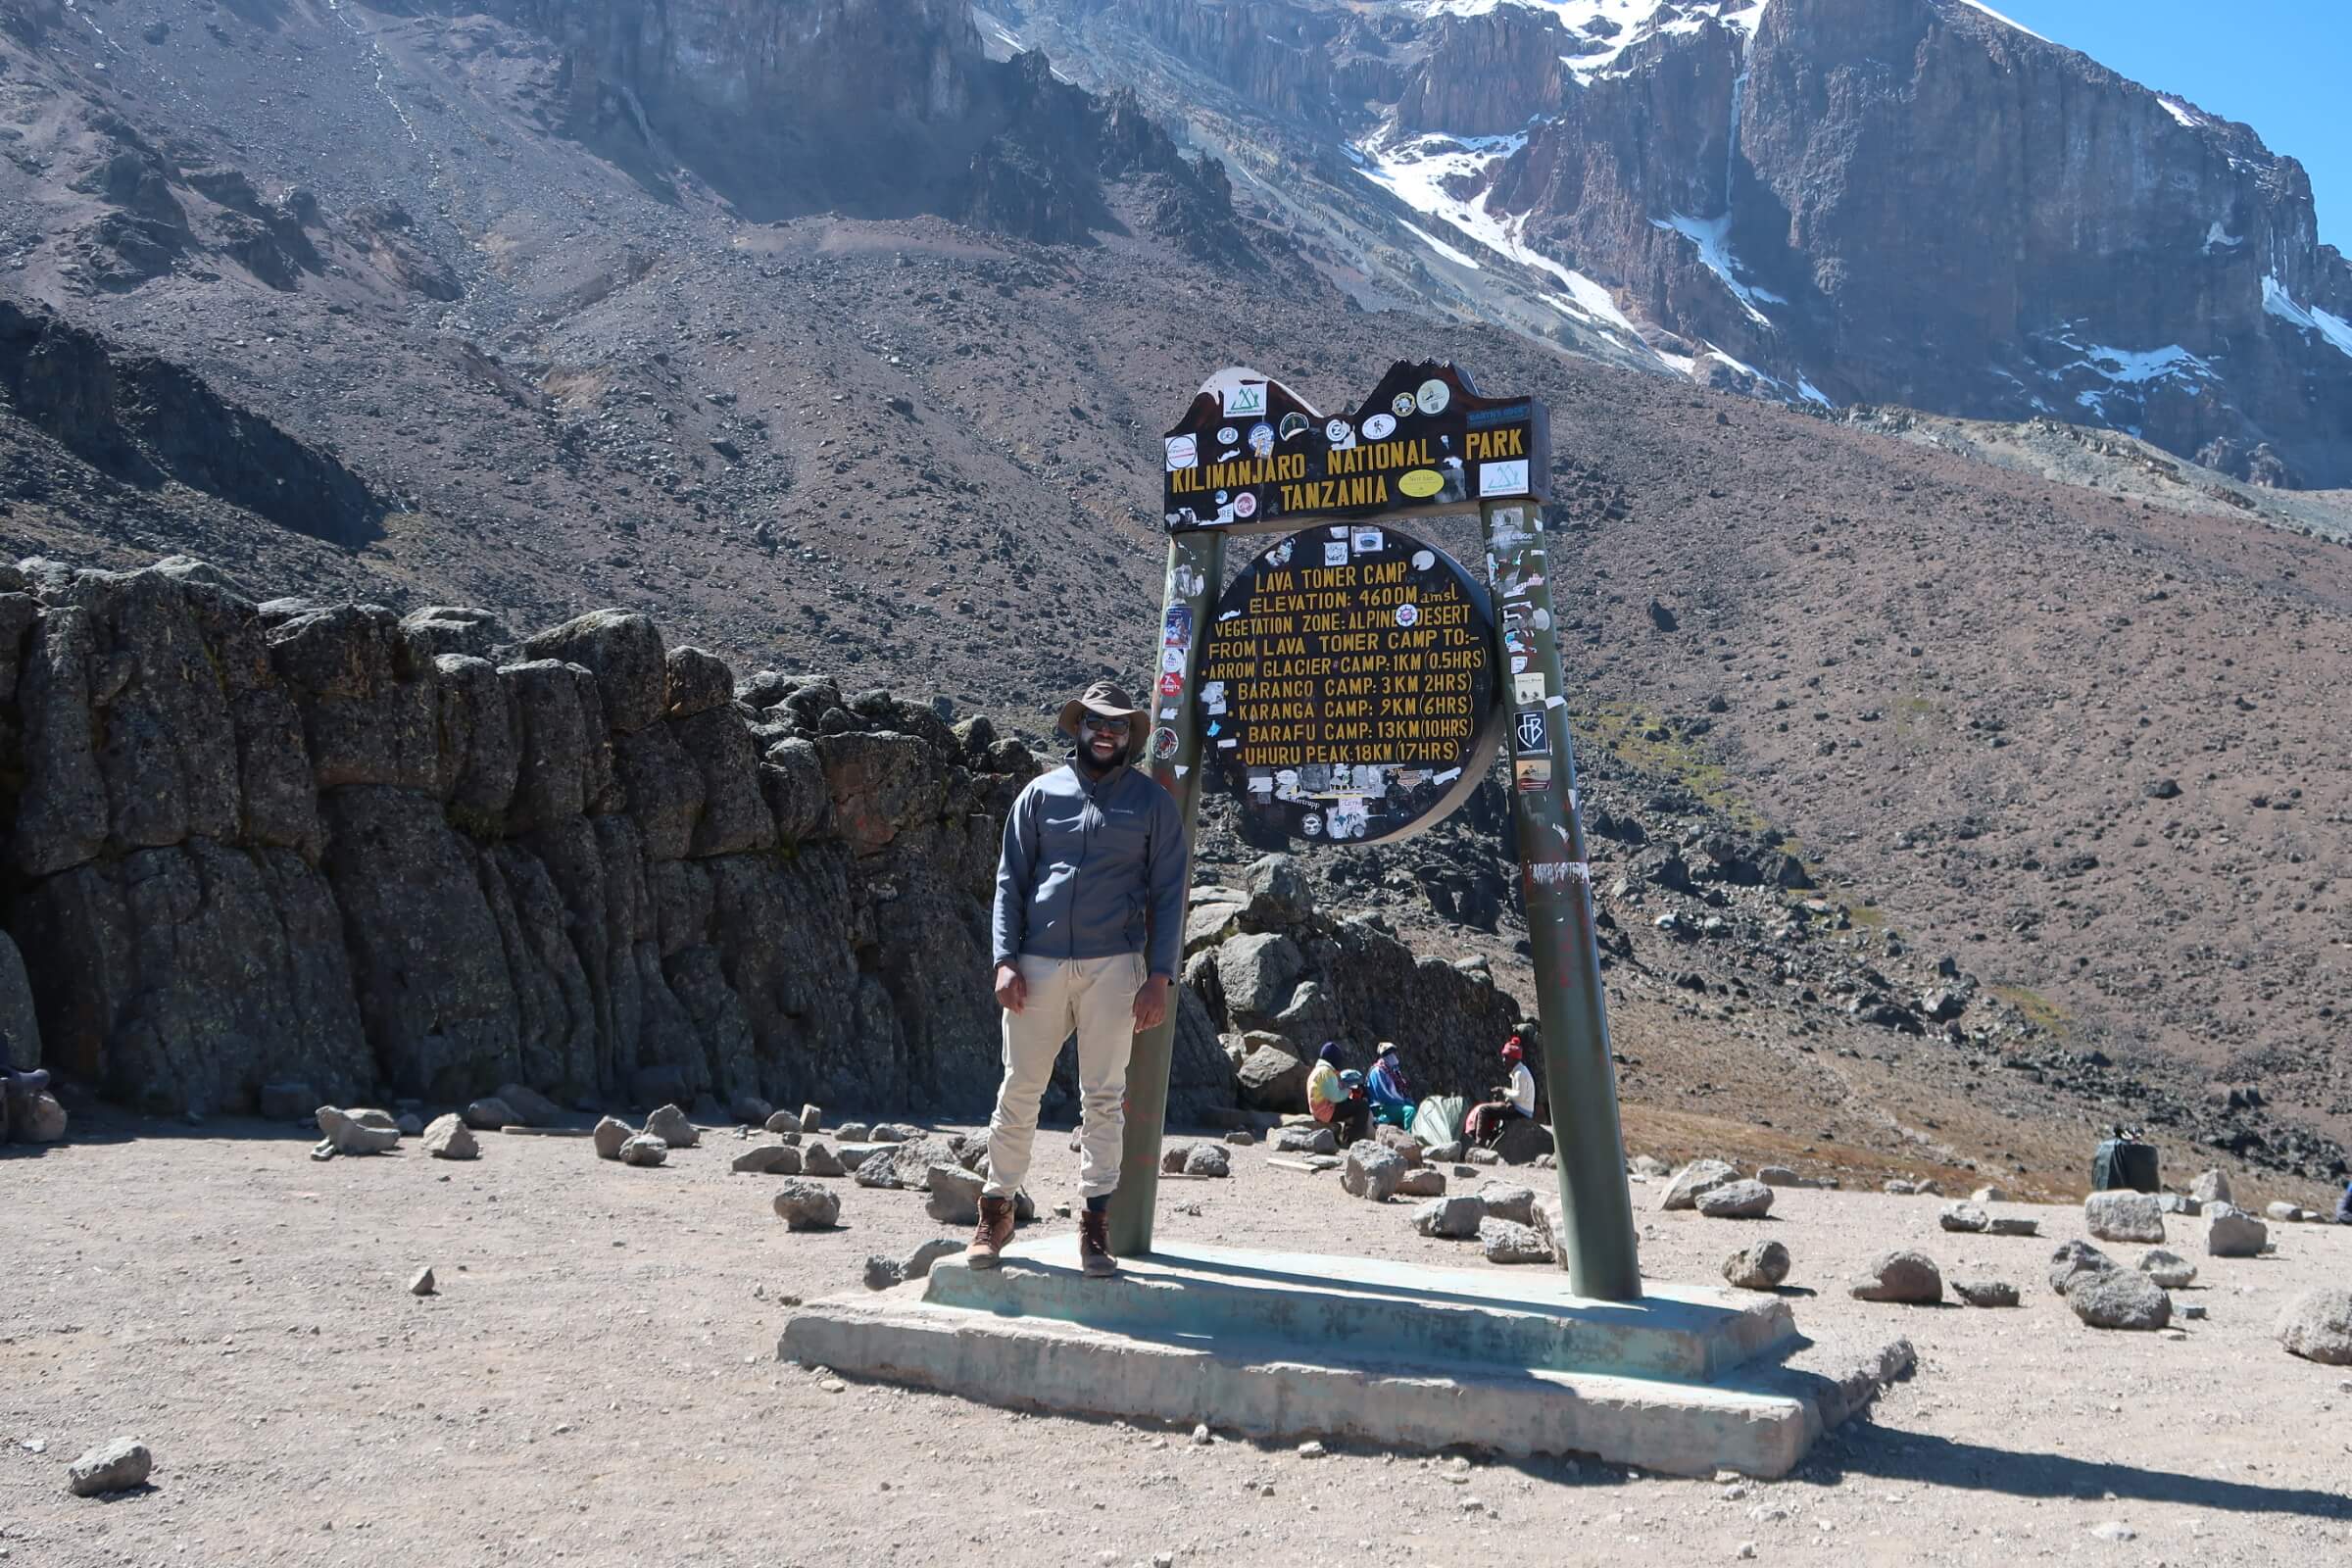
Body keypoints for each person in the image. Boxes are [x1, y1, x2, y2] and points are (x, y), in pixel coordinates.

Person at [971, 680, 1187, 1280]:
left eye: (1116, 724)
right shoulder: (1039, 795)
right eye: (1095, 722)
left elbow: (1169, 896)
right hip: (1035, 966)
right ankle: (995, 1213)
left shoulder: (1152, 805)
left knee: (1104, 1098)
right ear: (1079, 728)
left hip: (1115, 968)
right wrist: (1004, 959)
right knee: (1019, 1091)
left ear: (1129, 736)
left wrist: (1160, 976)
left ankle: (1095, 1228)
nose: (1105, 732)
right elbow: (1009, 881)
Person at [1464, 1036, 1537, 1147]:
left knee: (1484, 1110)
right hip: (1522, 1109)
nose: (1504, 1060)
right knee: (1494, 1108)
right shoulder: (1520, 1071)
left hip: (1521, 1112)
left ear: (1513, 1059)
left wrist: (1503, 1091)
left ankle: (1480, 1144)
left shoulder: (1519, 1074)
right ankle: (1490, 1138)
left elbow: (1520, 1096)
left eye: (1506, 1057)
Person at [1306, 1040, 1370, 1148]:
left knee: (1351, 1104)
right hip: (1326, 1111)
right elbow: (1336, 1097)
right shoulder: (1325, 1072)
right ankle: (1352, 1141)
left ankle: (1345, 1136)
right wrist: (1350, 1091)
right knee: (1362, 1106)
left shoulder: (1318, 1070)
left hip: (1318, 1110)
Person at [1365, 1043, 1414, 1130]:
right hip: (1381, 1108)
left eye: (1393, 1053)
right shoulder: (1377, 1071)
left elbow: (1400, 1090)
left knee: (1413, 1106)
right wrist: (1401, 1102)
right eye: (1389, 1053)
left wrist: (1405, 1101)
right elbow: (1383, 1096)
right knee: (1409, 1111)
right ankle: (1410, 1137)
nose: (1393, 1056)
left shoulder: (1393, 1071)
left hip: (1393, 1104)